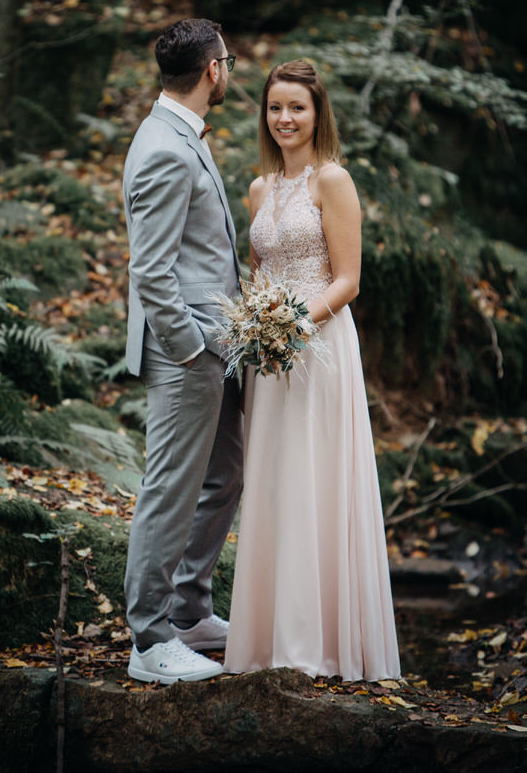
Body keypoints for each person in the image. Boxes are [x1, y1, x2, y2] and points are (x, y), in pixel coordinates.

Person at [224, 60, 400, 681]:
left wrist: (294, 325)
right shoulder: (258, 189)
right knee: (272, 481)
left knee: (314, 478)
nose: (284, 119)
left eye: (296, 107)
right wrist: (258, 326)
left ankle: (319, 645)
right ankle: (269, 640)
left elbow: (349, 280)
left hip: (319, 347)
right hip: (268, 360)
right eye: (275, 108)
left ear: (317, 112)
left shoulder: (334, 180)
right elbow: (257, 274)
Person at [122, 18, 243, 684]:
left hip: (216, 346)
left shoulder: (179, 132)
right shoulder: (164, 147)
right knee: (170, 487)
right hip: (186, 352)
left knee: (226, 474)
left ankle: (189, 609)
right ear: (212, 71)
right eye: (227, 60)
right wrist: (194, 350)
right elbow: (151, 271)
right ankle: (148, 641)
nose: (229, 68)